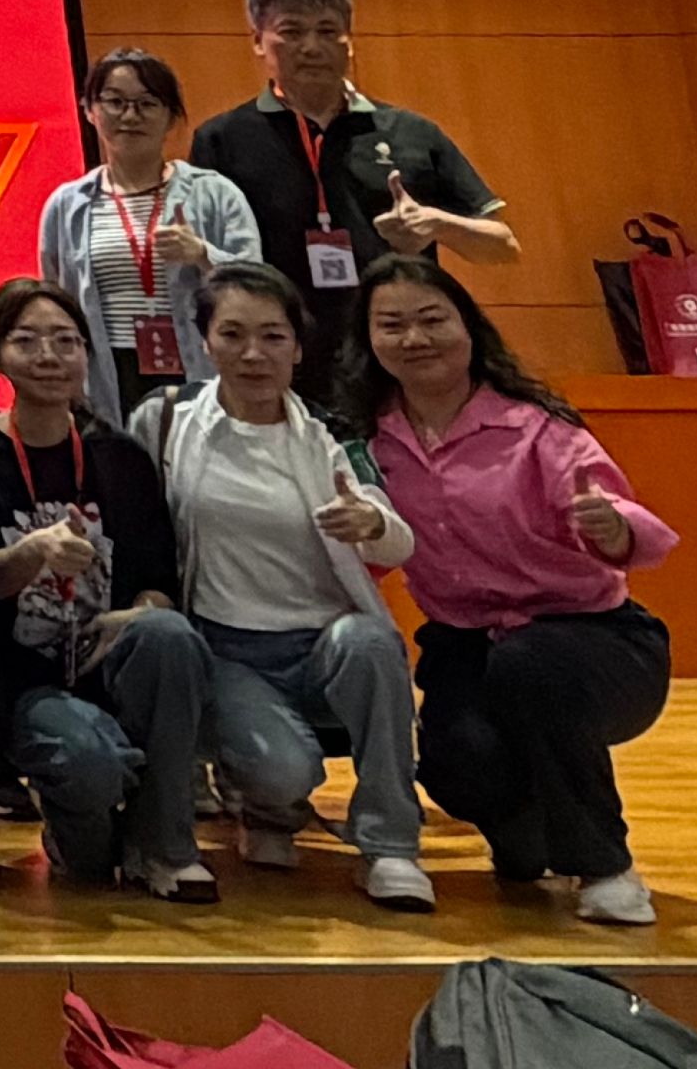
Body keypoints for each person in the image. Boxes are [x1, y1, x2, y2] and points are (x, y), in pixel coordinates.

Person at [353, 255, 678, 926]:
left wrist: (611, 527)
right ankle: (528, 836)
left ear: (468, 327)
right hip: (464, 643)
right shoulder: (367, 441)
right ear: (368, 339)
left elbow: (623, 522)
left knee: (530, 666)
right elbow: (367, 552)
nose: (414, 338)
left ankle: (605, 867)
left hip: (591, 639)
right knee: (452, 761)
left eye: (432, 319)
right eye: (392, 324)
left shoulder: (536, 427)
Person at [141, 261, 431, 910]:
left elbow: (398, 541)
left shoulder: (329, 435)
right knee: (284, 771)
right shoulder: (166, 422)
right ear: (205, 342)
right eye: (233, 334)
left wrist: (371, 523)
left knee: (373, 643)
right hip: (226, 650)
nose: (254, 354)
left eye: (273, 336)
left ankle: (390, 846)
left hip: (323, 647)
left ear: (298, 348)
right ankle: (269, 806)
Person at [0, 277, 215, 901]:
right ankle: (80, 835)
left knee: (168, 634)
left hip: (106, 659)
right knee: (91, 777)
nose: (49, 356)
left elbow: (158, 582)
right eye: (27, 341)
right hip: (19, 682)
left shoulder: (120, 456)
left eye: (66, 341)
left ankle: (166, 847)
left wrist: (136, 615)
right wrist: (32, 552)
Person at [187, 0, 515, 330]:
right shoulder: (222, 139)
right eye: (291, 31)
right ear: (257, 42)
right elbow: (203, 263)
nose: (312, 47)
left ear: (350, 41)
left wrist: (438, 224)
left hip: (395, 341)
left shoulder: (411, 132)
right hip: (275, 344)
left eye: (328, 31)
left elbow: (502, 246)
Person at [36, 51, 262, 420]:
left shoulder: (214, 193)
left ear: (171, 116)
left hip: (200, 360)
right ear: (90, 110)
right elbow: (55, 302)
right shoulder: (67, 205)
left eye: (147, 103)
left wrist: (203, 253)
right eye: (115, 102)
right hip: (108, 371)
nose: (130, 116)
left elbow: (259, 286)